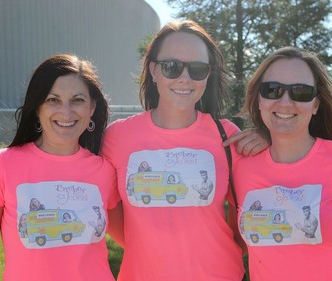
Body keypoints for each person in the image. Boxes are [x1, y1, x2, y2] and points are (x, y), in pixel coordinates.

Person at [101, 20, 269, 281]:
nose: (184, 78)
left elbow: (249, 214)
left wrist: (271, 138)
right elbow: (109, 209)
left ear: (208, 74)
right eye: (172, 67)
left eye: (198, 69)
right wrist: (150, 248)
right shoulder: (117, 137)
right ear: (154, 70)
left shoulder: (227, 136)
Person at [233, 46, 332, 281]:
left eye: (300, 92)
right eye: (272, 90)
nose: (285, 102)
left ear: (316, 104)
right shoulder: (241, 168)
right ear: (259, 100)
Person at [0, 54, 123, 281]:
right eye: (53, 100)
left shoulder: (105, 171)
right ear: (37, 107)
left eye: (77, 100)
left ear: (92, 107)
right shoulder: (4, 165)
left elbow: (128, 238)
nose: (66, 112)